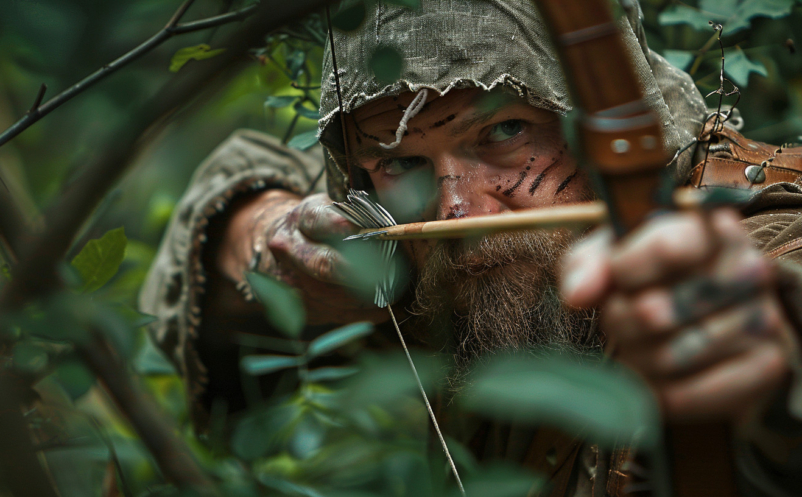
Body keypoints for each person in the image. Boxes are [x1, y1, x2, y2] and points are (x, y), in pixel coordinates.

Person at [140, 0, 802, 494]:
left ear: (596, 120)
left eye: (506, 130)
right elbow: (211, 215)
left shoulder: (764, 229)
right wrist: (276, 239)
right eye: (403, 162)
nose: (462, 209)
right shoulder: (427, 246)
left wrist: (766, 358)